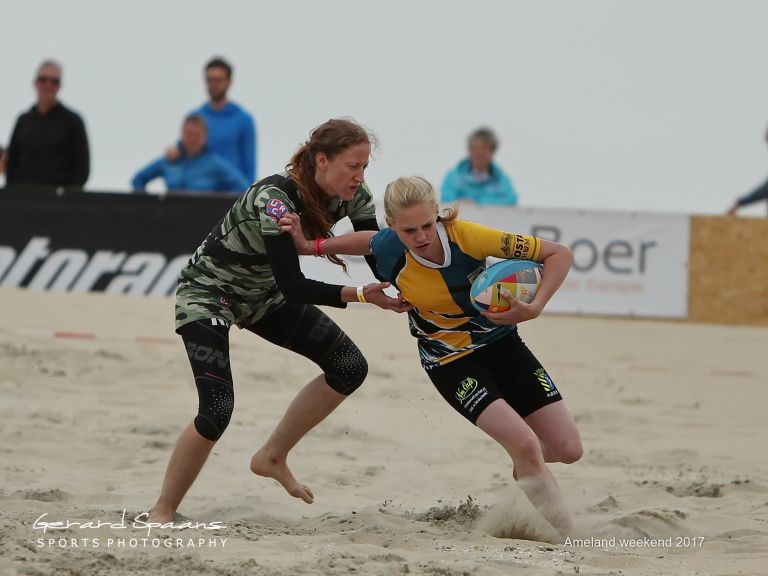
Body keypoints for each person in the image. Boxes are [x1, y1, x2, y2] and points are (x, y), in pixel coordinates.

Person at [280, 176, 581, 538]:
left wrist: (534, 307)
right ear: (392, 226)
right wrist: (309, 246)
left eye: (427, 225)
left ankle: (527, 467)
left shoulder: (469, 236)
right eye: (409, 230)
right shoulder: (389, 245)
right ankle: (570, 540)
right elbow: (366, 243)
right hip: (449, 361)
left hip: (502, 343)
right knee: (525, 444)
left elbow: (559, 254)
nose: (421, 236)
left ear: (438, 215)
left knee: (567, 449)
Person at [147, 119, 409, 523]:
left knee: (349, 367)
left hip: (262, 297)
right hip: (209, 294)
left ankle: (272, 456)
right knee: (217, 408)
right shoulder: (275, 199)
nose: (360, 176)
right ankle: (162, 512)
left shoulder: (355, 196)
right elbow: (294, 285)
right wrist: (359, 295)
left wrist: (419, 275)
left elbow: (378, 257)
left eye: (364, 167)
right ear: (322, 160)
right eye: (352, 166)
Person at [167, 57, 257, 182]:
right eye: (210, 80)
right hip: (200, 189)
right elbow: (185, 147)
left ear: (229, 82)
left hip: (231, 192)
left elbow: (250, 165)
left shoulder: (243, 120)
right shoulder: (196, 117)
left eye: (219, 80)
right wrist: (174, 151)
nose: (214, 84)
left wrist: (248, 195)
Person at [5, 60, 90, 189]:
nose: (48, 85)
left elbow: (82, 169)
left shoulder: (73, 122)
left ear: (59, 86)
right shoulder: (23, 121)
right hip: (25, 200)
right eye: (43, 79)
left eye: (54, 81)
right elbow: (11, 164)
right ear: (35, 83)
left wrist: (68, 198)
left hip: (60, 203)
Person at [132, 114, 249, 194]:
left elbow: (243, 187)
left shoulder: (214, 164)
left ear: (205, 137)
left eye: (196, 135)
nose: (192, 139)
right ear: (182, 134)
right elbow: (138, 179)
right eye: (189, 134)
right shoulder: (170, 160)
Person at [441, 127, 518, 205]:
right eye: (475, 148)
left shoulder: (502, 179)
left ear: (493, 150)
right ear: (469, 150)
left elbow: (511, 200)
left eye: (484, 148)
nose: (479, 153)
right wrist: (460, 204)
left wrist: (478, 203)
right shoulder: (453, 177)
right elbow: (446, 200)